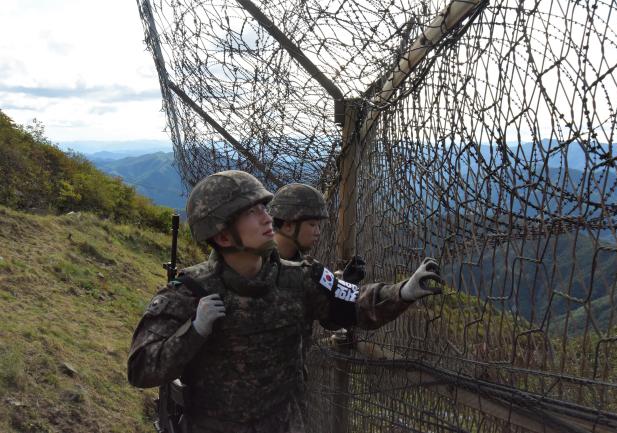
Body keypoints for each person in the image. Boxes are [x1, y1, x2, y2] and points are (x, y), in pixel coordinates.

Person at [127, 170, 444, 433]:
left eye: (264, 208)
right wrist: (195, 331)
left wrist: (402, 292)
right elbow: (141, 369)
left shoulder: (302, 278)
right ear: (223, 236)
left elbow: (352, 302)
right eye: (252, 212)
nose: (268, 218)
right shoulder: (189, 292)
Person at [268, 183, 365, 282]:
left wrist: (346, 282)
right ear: (288, 225)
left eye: (318, 226)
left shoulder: (311, 270)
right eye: (312, 225)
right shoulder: (256, 264)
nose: (318, 232)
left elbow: (335, 291)